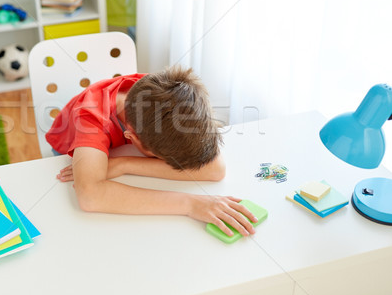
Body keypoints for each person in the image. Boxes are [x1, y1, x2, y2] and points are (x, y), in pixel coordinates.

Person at [46, 66, 257, 237]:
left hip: (116, 152)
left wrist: (123, 164)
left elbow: (215, 169)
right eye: (159, 158)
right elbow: (90, 196)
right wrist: (191, 203)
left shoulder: (168, 93)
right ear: (132, 137)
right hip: (65, 149)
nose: (161, 162)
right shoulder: (90, 117)